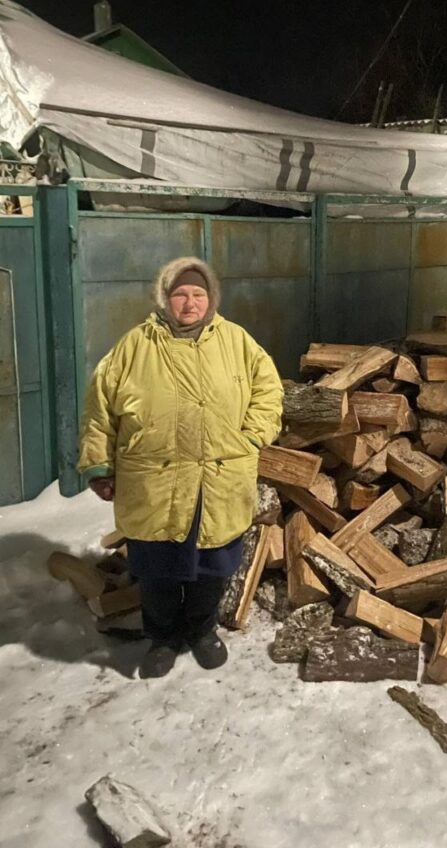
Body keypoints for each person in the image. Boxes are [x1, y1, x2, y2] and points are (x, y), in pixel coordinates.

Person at [78, 256, 283, 679]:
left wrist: (251, 436)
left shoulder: (237, 341)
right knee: (156, 568)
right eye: (180, 295)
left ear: (211, 299)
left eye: (198, 294)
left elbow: (269, 390)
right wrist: (99, 464)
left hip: (218, 478)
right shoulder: (134, 346)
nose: (189, 304)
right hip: (154, 480)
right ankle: (163, 636)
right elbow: (100, 410)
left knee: (214, 564)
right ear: (164, 299)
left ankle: (201, 630)